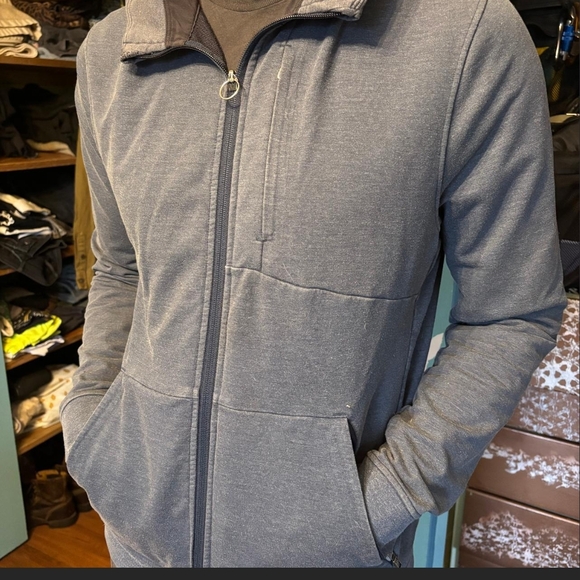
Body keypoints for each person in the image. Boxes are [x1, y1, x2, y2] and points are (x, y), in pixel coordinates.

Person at [59, 0, 567, 568]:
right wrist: (91, 422)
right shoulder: (111, 52)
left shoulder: (465, 35)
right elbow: (122, 267)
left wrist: (382, 499)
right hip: (138, 539)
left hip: (334, 552)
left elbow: (510, 313)